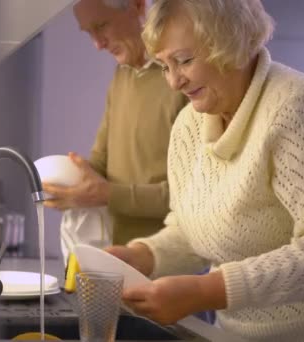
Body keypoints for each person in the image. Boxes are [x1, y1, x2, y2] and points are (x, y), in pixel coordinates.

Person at [105, 0, 304, 341]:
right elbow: (196, 228)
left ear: (232, 42)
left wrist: (207, 291)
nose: (173, 82)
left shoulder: (300, 107)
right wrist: (141, 256)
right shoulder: (190, 124)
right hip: (235, 334)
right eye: (164, 66)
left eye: (184, 61)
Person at [42, 0, 187, 251]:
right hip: (118, 254)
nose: (97, 44)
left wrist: (107, 194)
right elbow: (99, 163)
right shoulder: (123, 75)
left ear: (138, 6)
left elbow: (193, 198)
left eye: (102, 25)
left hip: (172, 263)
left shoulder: (185, 82)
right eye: (88, 32)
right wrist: (68, 183)